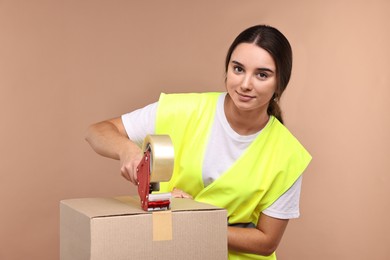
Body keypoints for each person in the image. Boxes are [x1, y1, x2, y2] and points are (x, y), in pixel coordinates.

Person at [85, 24, 311, 260]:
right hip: (172, 252)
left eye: (262, 74)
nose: (245, 84)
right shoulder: (180, 110)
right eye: (238, 69)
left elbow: (266, 242)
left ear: (279, 84)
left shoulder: (288, 154)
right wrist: (127, 151)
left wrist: (195, 218)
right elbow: (97, 131)